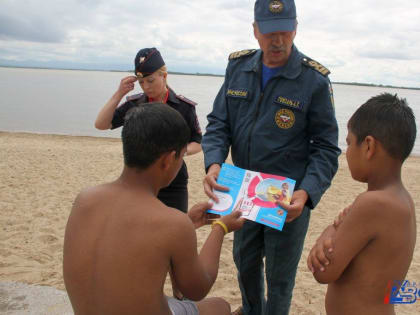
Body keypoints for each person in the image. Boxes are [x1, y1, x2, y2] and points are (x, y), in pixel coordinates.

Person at [201, 0, 341, 314]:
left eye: (284, 32)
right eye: (268, 32)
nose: (277, 41)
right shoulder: (238, 67)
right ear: (255, 30)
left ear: (295, 28)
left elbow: (327, 148)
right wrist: (213, 163)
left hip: (287, 199)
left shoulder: (313, 81)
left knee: (280, 279)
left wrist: (305, 194)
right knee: (245, 265)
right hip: (243, 190)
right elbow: (219, 123)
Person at [64, 103, 246, 315]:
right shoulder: (171, 223)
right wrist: (220, 229)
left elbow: (129, 236)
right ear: (169, 160)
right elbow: (198, 288)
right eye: (182, 155)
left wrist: (187, 221)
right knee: (220, 307)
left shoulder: (85, 199)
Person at [307, 93, 417, 315]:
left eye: (348, 143)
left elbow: (323, 272)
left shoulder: (372, 203)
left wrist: (330, 231)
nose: (346, 153)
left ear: (368, 146)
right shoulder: (403, 200)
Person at [95, 47, 202, 214]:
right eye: (141, 82)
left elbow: (197, 142)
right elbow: (101, 124)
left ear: (164, 76)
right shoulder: (135, 104)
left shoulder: (183, 107)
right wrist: (119, 94)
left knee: (172, 231)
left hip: (174, 180)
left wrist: (177, 153)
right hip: (139, 180)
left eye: (150, 80)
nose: (146, 87)